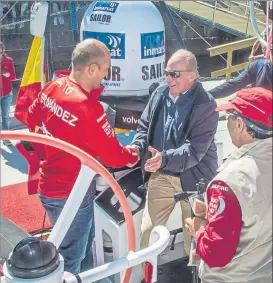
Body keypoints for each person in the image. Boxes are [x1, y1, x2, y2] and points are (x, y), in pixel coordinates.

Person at [25, 39, 139, 274]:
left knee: (76, 246)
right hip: (72, 194)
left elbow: (31, 117)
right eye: (106, 68)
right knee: (73, 258)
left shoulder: (54, 86)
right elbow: (114, 156)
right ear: (92, 69)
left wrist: (55, 146)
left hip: (48, 187)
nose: (105, 76)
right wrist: (134, 154)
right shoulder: (88, 108)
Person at [130, 49, 219, 255]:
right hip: (162, 174)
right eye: (166, 72)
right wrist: (137, 147)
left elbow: (194, 151)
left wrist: (164, 159)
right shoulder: (159, 93)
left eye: (174, 74)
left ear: (192, 76)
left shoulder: (205, 104)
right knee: (148, 234)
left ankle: (196, 274)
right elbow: (144, 127)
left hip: (196, 178)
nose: (168, 78)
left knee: (195, 240)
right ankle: (147, 274)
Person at [185, 87, 272, 283]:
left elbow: (216, 254)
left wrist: (198, 229)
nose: (227, 121)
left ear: (240, 124)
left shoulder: (229, 181)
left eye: (229, 116)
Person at [0, 41, 16, 146]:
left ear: (2, 50)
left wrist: (8, 75)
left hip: (6, 93)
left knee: (5, 116)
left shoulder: (9, 61)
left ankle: (5, 137)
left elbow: (14, 76)